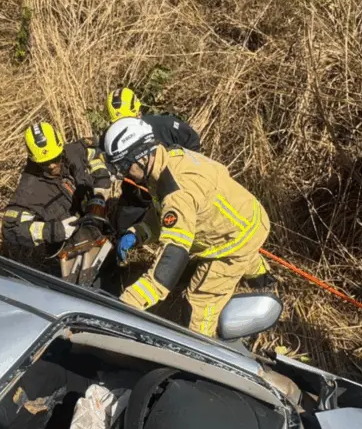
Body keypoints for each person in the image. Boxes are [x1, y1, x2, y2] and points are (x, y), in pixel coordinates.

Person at [102, 117, 276, 337]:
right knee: (244, 257)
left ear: (142, 156)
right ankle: (264, 280)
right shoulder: (167, 161)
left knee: (198, 303)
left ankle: (204, 354)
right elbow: (162, 215)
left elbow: (173, 257)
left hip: (235, 238)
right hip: (241, 219)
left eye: (124, 166)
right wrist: (138, 233)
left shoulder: (178, 191)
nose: (124, 175)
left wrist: (129, 303)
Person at [1, 122, 111, 270]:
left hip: (99, 223)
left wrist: (101, 184)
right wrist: (56, 230)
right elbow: (10, 228)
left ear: (60, 146)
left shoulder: (73, 152)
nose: (52, 166)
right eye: (45, 163)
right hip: (72, 250)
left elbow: (95, 152)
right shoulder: (29, 189)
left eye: (55, 159)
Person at [104, 87, 201, 152]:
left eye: (127, 121)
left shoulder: (164, 125)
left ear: (138, 114)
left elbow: (192, 140)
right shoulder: (109, 141)